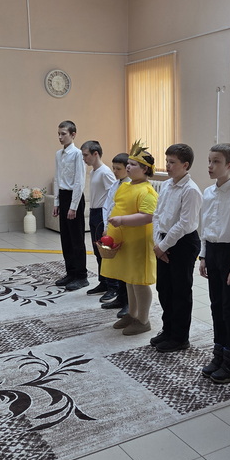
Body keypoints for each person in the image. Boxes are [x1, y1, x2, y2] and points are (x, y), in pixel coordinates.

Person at [199, 144, 230, 383]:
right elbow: (205, 226)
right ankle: (219, 353)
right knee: (216, 305)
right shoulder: (208, 192)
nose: (210, 166)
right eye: (209, 161)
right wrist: (203, 255)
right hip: (213, 251)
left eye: (216, 161)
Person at [101, 142, 158, 336]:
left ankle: (143, 320)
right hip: (125, 241)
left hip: (139, 242)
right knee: (129, 279)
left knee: (139, 282)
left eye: (133, 164)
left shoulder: (147, 191)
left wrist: (122, 220)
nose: (128, 167)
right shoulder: (126, 186)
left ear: (145, 169)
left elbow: (147, 216)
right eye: (129, 163)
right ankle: (132, 314)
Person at [151, 143, 202, 353]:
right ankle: (168, 329)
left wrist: (162, 246)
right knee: (164, 288)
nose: (168, 166)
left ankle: (180, 337)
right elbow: (157, 215)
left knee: (180, 291)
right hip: (164, 241)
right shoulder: (166, 185)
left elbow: (184, 224)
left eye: (172, 162)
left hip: (183, 243)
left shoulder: (191, 190)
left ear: (185, 165)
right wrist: (158, 243)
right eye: (167, 161)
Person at [81, 140, 118, 303]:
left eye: (86, 155)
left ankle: (113, 286)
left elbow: (113, 197)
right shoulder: (94, 172)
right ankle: (103, 282)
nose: (84, 159)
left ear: (95, 154)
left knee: (106, 253)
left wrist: (107, 221)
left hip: (102, 214)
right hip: (94, 212)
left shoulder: (105, 172)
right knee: (98, 252)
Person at [53, 120, 88, 291]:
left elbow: (79, 181)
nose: (60, 137)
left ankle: (81, 275)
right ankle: (71, 272)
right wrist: (56, 202)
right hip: (63, 196)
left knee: (76, 238)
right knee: (66, 238)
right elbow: (57, 178)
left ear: (73, 135)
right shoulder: (58, 154)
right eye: (58, 134)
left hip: (75, 197)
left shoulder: (78, 154)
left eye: (63, 134)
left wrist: (73, 206)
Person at [101, 153, 131, 318]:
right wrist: (106, 226)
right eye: (113, 168)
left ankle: (128, 302)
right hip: (112, 228)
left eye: (118, 169)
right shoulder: (116, 184)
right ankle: (120, 297)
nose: (114, 171)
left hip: (124, 230)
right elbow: (108, 205)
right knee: (118, 266)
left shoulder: (130, 185)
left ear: (128, 168)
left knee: (126, 268)